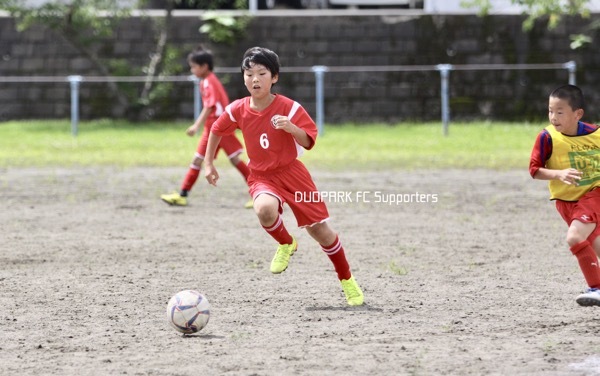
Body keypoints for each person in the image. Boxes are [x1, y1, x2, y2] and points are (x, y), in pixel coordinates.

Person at [203, 46, 364, 306]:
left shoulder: (289, 108)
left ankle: (347, 280)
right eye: (248, 74)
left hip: (293, 175)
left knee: (320, 231)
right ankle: (286, 243)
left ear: (274, 77)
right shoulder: (238, 109)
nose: (254, 79)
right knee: (264, 210)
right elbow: (216, 130)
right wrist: (209, 163)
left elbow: (309, 141)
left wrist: (292, 128)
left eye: (261, 73)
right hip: (262, 176)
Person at [530, 84, 600, 306]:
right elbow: (535, 170)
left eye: (560, 112)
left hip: (594, 195)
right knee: (596, 246)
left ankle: (597, 288)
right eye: (550, 111)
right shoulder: (546, 137)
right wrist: (558, 174)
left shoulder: (597, 135)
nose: (553, 117)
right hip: (566, 203)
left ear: (578, 113)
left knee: (575, 237)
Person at [161, 46, 251, 207]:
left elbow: (210, 106)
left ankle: (260, 192)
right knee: (200, 160)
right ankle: (182, 194)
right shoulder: (206, 81)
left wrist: (196, 126)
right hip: (214, 127)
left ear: (204, 67)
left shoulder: (209, 82)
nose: (192, 69)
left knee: (233, 159)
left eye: (194, 66)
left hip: (219, 127)